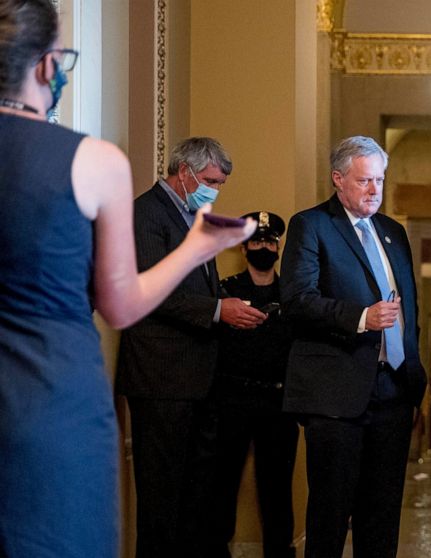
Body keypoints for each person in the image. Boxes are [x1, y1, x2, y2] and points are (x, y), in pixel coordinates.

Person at [0, 2, 254, 556]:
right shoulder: (96, 162)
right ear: (46, 64)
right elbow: (119, 304)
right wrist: (200, 247)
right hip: (52, 386)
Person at [116, 136, 266, 558]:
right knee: (161, 497)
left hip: (198, 378)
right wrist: (218, 310)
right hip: (161, 377)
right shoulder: (146, 213)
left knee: (194, 497)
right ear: (184, 172)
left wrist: (227, 307)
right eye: (210, 181)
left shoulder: (193, 216)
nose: (215, 190)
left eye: (220, 184)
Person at [280, 136, 427, 558]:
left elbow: (408, 309)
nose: (374, 189)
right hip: (336, 394)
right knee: (329, 517)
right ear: (338, 179)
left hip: (393, 391)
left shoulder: (393, 232)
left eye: (379, 180)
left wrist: (412, 371)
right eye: (364, 180)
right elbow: (297, 300)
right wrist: (361, 318)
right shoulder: (312, 225)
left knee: (381, 518)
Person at [206, 211, 298, 558]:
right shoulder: (227, 291)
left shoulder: (292, 295)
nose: (264, 248)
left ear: (278, 248)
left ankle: (280, 551)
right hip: (232, 401)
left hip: (278, 403)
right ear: (244, 248)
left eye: (270, 242)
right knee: (222, 483)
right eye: (256, 242)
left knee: (277, 488)